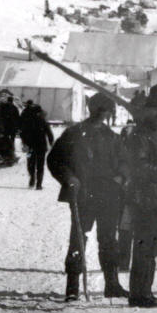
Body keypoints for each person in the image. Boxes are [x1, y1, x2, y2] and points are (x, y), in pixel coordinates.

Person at [47, 93, 130, 301]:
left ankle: (112, 284)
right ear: (95, 111)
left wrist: (121, 177)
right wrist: (69, 178)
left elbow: (125, 163)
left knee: (109, 241)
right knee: (78, 240)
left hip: (109, 197)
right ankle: (73, 287)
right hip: (82, 196)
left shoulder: (113, 138)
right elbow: (55, 160)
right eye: (102, 111)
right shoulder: (74, 134)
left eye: (107, 111)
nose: (104, 115)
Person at [124, 84, 157, 307]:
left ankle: (144, 291)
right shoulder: (141, 135)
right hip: (144, 198)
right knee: (145, 246)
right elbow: (140, 167)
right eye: (156, 109)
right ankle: (139, 294)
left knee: (152, 246)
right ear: (146, 110)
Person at [21, 104, 54, 189]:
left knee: (30, 163)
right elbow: (49, 133)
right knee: (40, 165)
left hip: (30, 146)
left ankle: (32, 178)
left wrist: (24, 143)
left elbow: (23, 133)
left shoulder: (28, 121)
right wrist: (51, 143)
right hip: (41, 147)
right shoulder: (43, 121)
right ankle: (39, 184)